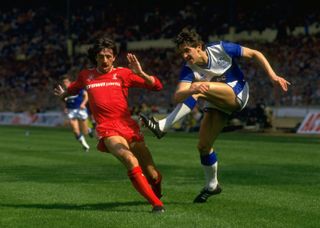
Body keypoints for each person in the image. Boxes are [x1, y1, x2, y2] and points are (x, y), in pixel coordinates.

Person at [140, 28, 290, 203]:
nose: (184, 56)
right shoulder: (189, 68)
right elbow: (178, 95)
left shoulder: (221, 48)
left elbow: (255, 53)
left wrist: (272, 76)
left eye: (187, 51)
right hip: (217, 102)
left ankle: (162, 126)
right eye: (181, 52)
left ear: (199, 47)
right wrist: (192, 88)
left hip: (238, 93)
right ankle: (212, 185)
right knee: (203, 146)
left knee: (199, 90)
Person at [54, 36, 165, 213]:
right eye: (100, 56)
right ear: (95, 58)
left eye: (108, 56)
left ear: (114, 57)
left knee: (152, 174)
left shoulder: (124, 73)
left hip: (129, 127)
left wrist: (141, 73)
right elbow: (70, 91)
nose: (104, 60)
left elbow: (157, 86)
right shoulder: (86, 76)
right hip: (107, 129)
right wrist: (63, 95)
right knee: (129, 159)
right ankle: (157, 205)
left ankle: (156, 193)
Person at [60, 74, 93, 152]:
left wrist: (83, 104)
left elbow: (86, 95)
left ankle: (89, 129)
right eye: (63, 82)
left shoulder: (75, 87)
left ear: (70, 82)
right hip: (71, 111)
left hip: (80, 110)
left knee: (84, 131)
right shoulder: (63, 91)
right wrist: (65, 107)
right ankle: (85, 145)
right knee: (75, 130)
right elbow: (63, 100)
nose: (65, 83)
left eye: (66, 82)